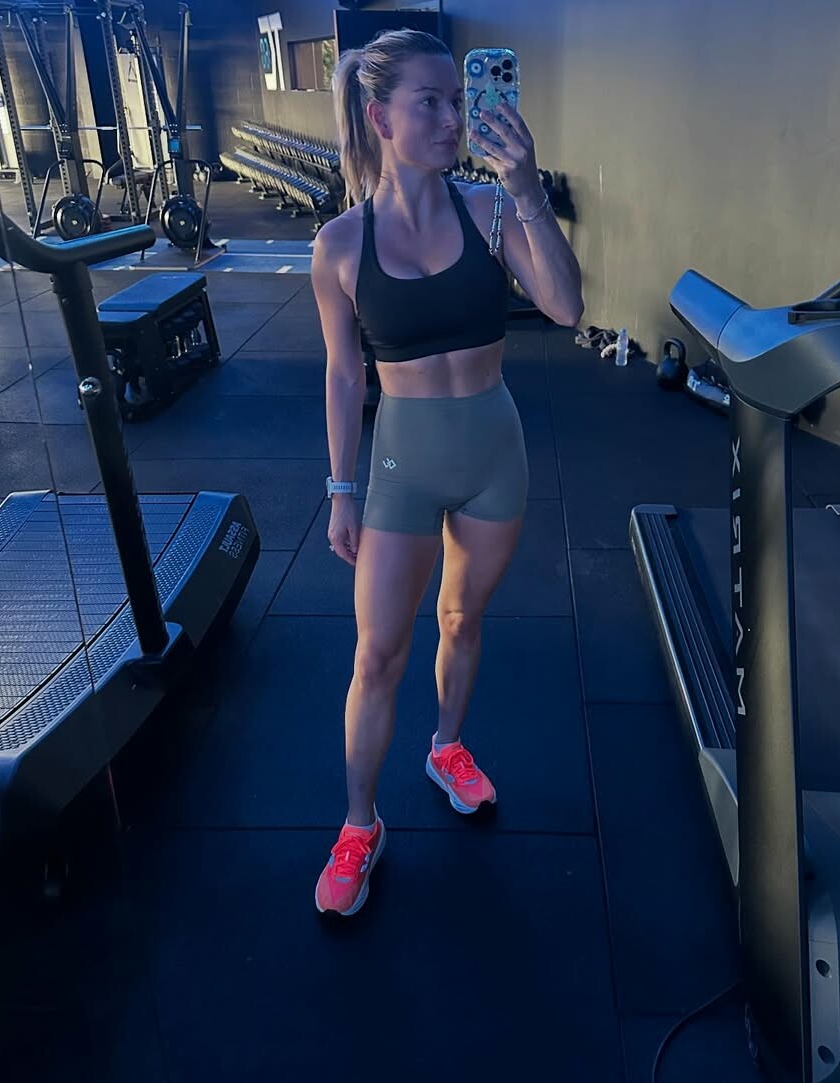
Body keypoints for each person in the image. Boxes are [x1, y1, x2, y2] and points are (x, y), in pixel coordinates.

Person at [311, 28, 583, 917]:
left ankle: (446, 746)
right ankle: (359, 825)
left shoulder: (492, 210)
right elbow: (344, 374)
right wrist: (340, 487)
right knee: (376, 654)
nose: (452, 118)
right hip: (402, 464)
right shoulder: (340, 244)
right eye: (429, 101)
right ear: (380, 117)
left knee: (463, 619)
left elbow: (566, 306)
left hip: (494, 452)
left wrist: (527, 188)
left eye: (457, 100)